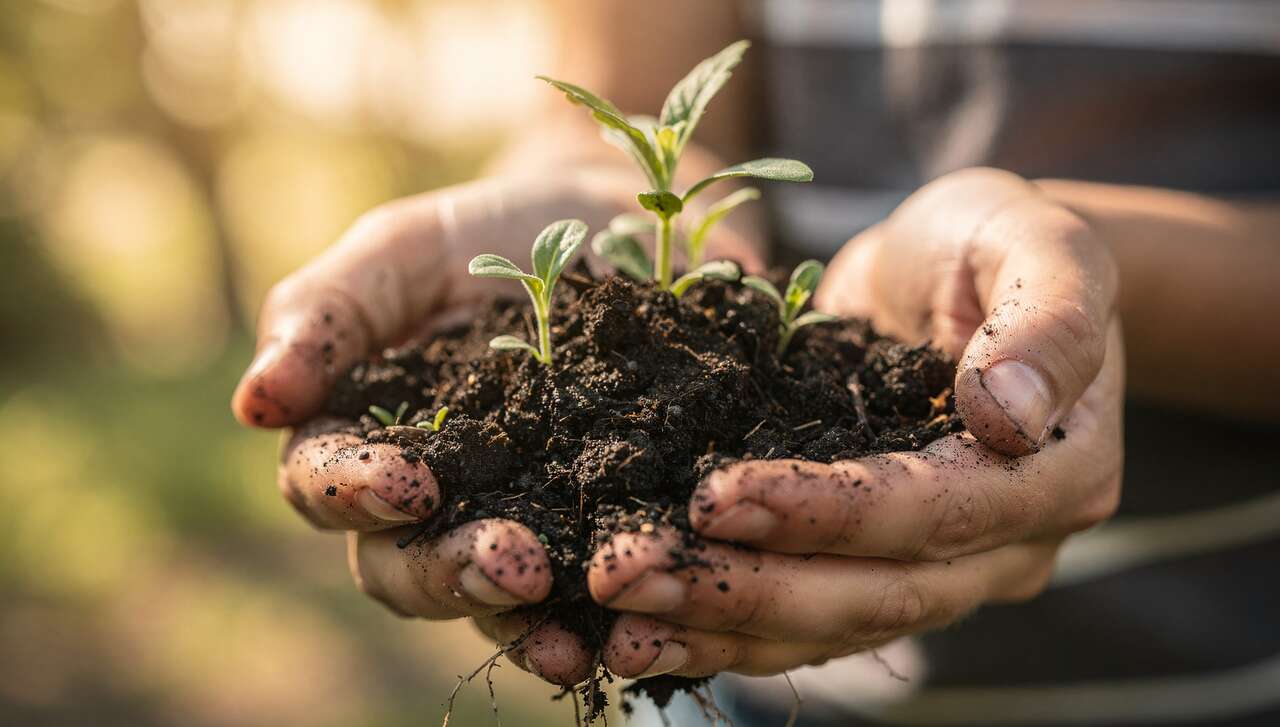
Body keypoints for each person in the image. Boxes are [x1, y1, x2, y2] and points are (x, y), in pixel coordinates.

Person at [231, 1, 1280, 724]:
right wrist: (585, 173)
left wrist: (1093, 277)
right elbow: (620, 106)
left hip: (1214, 671)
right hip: (727, 689)